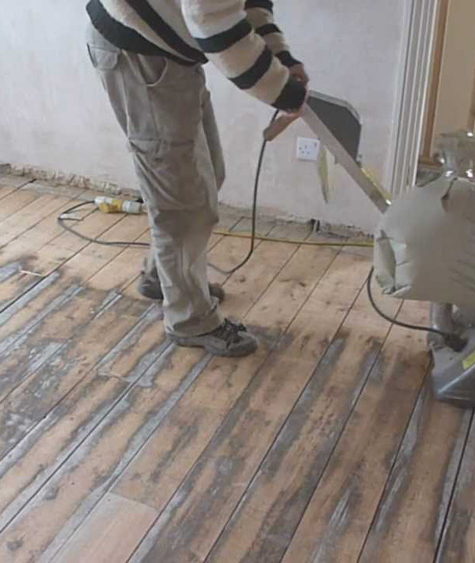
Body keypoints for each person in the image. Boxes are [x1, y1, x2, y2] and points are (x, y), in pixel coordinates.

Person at [85, 0, 309, 357]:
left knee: (205, 176)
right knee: (182, 201)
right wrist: (282, 90)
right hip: (139, 51)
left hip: (166, 51)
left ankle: (163, 277)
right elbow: (212, 18)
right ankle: (190, 320)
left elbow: (247, 4)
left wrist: (281, 58)